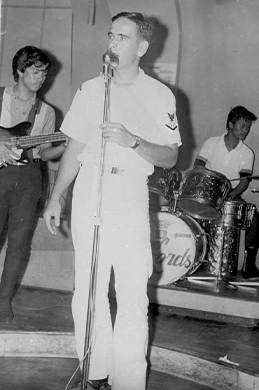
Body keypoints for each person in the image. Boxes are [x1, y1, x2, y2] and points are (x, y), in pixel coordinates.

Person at [44, 11, 181, 390]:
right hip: (91, 191)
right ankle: (94, 373)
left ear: (142, 46)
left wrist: (133, 140)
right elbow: (75, 147)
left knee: (132, 293)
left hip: (129, 196)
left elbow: (171, 156)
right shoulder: (91, 89)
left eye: (122, 37)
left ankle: (128, 382)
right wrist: (57, 197)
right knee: (87, 291)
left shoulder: (159, 94)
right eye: (111, 35)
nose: (113, 43)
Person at [0, 46, 66, 323]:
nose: (41, 78)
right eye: (36, 71)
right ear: (20, 70)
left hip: (28, 179)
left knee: (19, 244)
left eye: (45, 73)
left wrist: (67, 146)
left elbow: (45, 152)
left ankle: (3, 302)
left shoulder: (47, 112)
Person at [194, 105, 259, 278]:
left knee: (254, 219)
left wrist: (230, 195)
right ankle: (194, 260)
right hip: (207, 194)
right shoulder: (211, 142)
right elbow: (198, 166)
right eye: (242, 125)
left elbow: (244, 182)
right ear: (230, 125)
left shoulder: (247, 153)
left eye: (248, 127)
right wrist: (210, 188)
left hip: (231, 196)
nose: (245, 130)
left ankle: (249, 265)